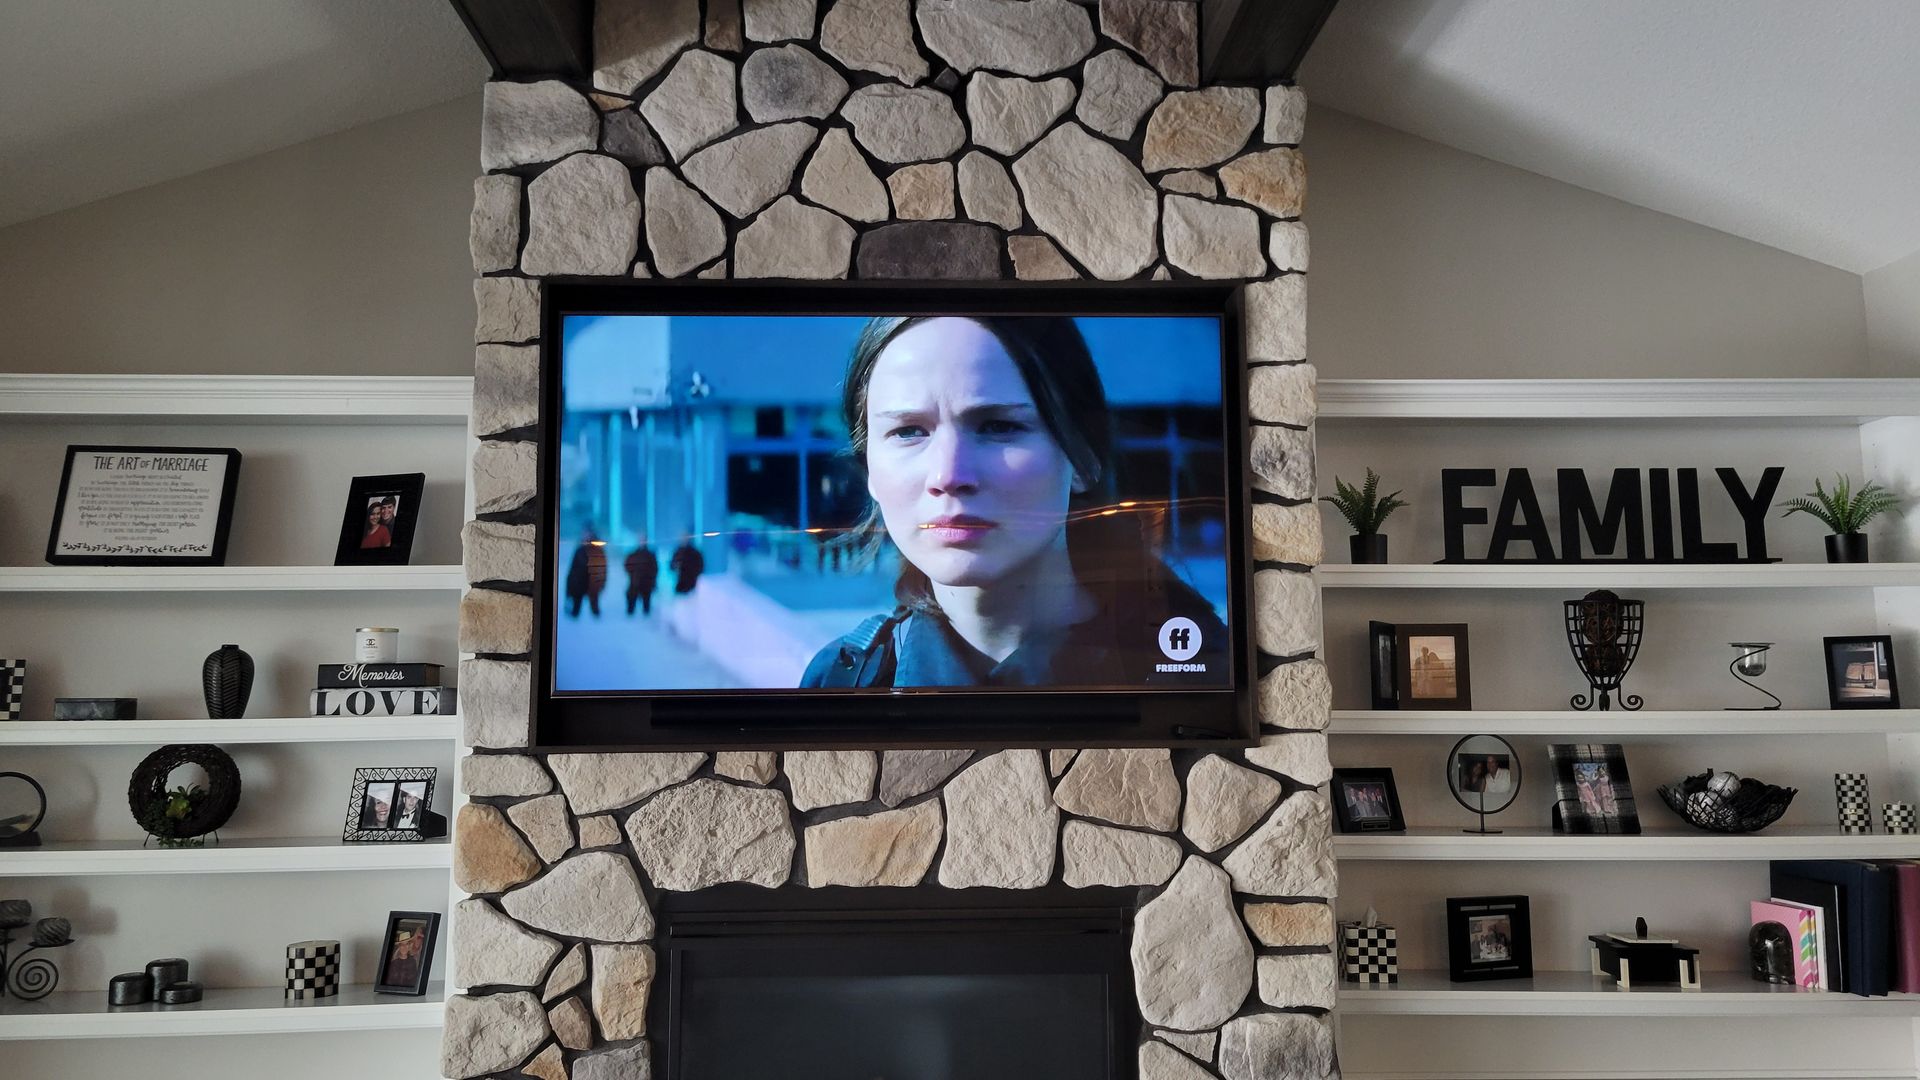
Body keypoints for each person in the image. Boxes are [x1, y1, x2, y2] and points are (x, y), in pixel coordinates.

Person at [801, 316, 1226, 689]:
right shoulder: (840, 682)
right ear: (869, 469)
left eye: (998, 426)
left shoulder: (1199, 669)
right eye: (909, 431)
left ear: (1083, 458)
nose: (948, 475)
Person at [566, 526, 608, 618]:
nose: (585, 535)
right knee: (575, 613)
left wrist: (602, 582)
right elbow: (573, 569)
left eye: (587, 533)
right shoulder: (579, 550)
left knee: (595, 613)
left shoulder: (597, 550)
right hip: (578, 584)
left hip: (593, 584)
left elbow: (602, 569)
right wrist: (569, 587)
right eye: (584, 533)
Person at [625, 542, 659, 616]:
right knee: (631, 597)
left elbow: (655, 569)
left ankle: (646, 615)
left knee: (646, 600)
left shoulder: (650, 555)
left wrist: (653, 581)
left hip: (646, 582)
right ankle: (630, 614)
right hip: (635, 581)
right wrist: (632, 574)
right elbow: (627, 565)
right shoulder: (634, 554)